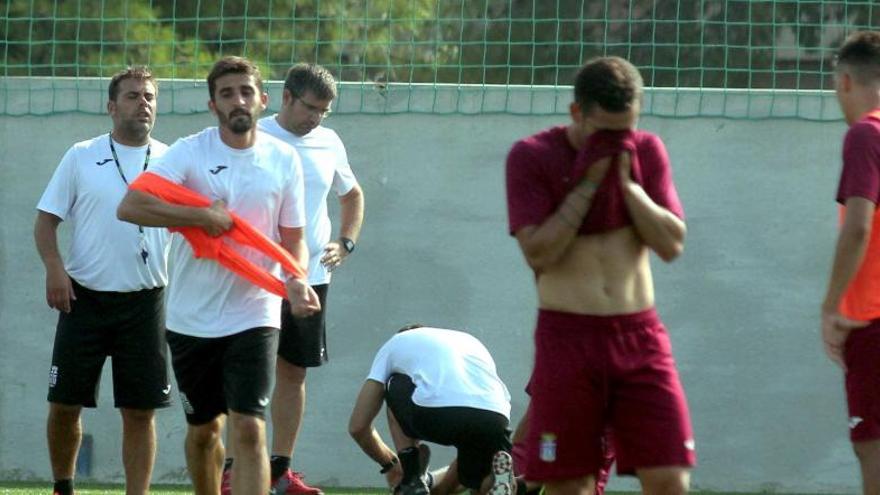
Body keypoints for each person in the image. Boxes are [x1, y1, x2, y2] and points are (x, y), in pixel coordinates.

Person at [116, 56, 321, 495]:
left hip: (256, 313)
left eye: (246, 91)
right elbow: (130, 206)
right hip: (191, 318)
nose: (238, 100)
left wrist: (297, 277)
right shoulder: (191, 152)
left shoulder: (284, 159)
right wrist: (199, 215)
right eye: (227, 94)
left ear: (263, 100)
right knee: (205, 430)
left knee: (248, 427)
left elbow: (294, 238)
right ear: (213, 105)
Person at [505, 56, 695, 495]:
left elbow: (672, 244)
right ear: (577, 114)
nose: (616, 140)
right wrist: (588, 184)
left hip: (638, 335)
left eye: (624, 129)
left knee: (670, 477)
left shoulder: (645, 151)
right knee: (571, 484)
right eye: (605, 131)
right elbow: (538, 253)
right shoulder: (532, 156)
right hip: (568, 336)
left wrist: (629, 188)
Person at [219, 63, 364, 495]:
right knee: (244, 370)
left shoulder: (329, 142)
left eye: (324, 111)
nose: (316, 118)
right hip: (257, 274)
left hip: (310, 275)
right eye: (310, 108)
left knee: (294, 372)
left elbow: (352, 193)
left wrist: (346, 241)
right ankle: (232, 470)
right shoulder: (255, 135)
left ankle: (279, 472)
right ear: (285, 98)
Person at [34, 66, 171, 495]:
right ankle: (63, 486)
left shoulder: (172, 160)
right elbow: (45, 222)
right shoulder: (81, 154)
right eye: (132, 96)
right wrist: (55, 268)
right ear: (112, 107)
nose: (142, 102)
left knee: (140, 411)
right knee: (64, 404)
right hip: (84, 300)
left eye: (148, 96)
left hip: (145, 302)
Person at [348, 325, 515, 495]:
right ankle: (494, 483)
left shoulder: (396, 343)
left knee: (391, 381)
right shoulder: (469, 342)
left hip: (435, 414)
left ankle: (412, 477)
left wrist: (391, 464)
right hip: (494, 415)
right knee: (479, 478)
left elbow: (358, 426)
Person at [821, 30, 880, 495]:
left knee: (873, 445)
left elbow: (858, 226)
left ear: (845, 82)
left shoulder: (866, 134)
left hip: (874, 320)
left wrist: (831, 306)